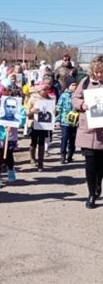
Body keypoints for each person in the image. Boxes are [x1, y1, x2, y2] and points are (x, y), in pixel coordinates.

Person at [72, 55, 103, 209]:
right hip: (87, 130)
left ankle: (98, 184)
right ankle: (91, 194)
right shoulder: (85, 83)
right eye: (97, 72)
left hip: (102, 132)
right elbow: (75, 98)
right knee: (90, 162)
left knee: (101, 163)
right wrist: (81, 104)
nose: (99, 75)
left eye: (102, 72)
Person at [0, 79, 26, 188]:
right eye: (3, 89)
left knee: (9, 155)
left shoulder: (16, 102)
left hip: (11, 135)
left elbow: (22, 117)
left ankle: (11, 171)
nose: (5, 91)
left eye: (7, 89)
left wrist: (13, 124)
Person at [27, 83, 52, 171]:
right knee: (34, 142)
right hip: (34, 123)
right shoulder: (32, 99)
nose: (45, 92)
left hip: (44, 125)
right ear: (38, 90)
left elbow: (53, 112)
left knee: (42, 142)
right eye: (43, 90)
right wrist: (32, 111)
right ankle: (32, 158)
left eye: (46, 90)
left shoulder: (49, 99)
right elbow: (26, 112)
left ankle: (40, 162)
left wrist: (54, 112)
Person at [56, 77, 79, 164]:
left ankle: (70, 155)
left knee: (73, 139)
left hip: (75, 122)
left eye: (76, 85)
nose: (75, 87)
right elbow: (59, 108)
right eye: (73, 85)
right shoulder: (63, 96)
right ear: (68, 86)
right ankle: (63, 155)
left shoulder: (78, 96)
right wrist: (57, 120)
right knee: (65, 138)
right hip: (65, 121)